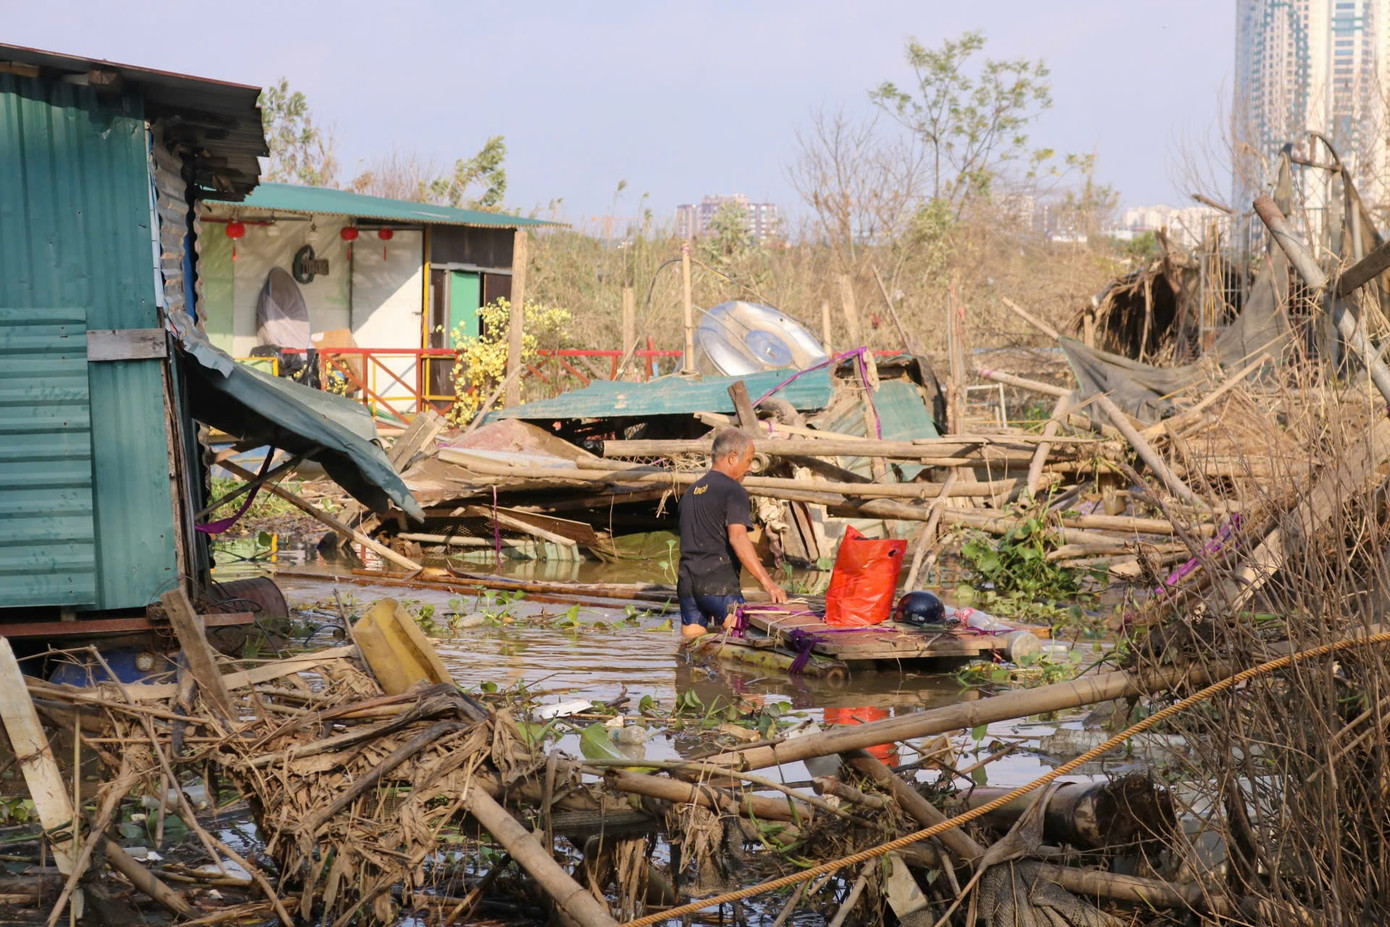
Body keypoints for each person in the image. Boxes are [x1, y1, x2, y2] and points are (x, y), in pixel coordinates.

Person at [677, 428, 788, 639]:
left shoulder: (691, 493)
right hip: (719, 586)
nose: (749, 469)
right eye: (748, 461)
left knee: (691, 651)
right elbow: (738, 538)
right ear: (732, 457)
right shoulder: (733, 491)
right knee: (741, 643)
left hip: (687, 585)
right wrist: (768, 583)